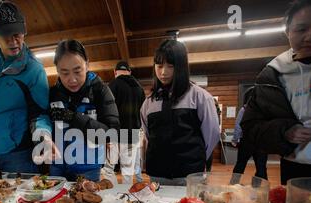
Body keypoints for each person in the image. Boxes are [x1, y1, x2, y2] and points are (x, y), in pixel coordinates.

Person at [0, 1, 52, 173]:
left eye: (18, 34)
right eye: (6, 34)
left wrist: (44, 135)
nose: (14, 41)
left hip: (21, 153)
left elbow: (40, 112)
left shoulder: (33, 68)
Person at [241, 0, 311, 184]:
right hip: (294, 166)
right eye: (301, 29)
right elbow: (251, 128)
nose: (309, 36)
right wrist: (285, 132)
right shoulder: (273, 74)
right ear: (288, 32)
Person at [140, 40, 220, 186]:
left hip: (189, 174)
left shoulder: (200, 97)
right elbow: (148, 135)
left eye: (170, 66)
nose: (163, 72)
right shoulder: (148, 103)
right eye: (159, 66)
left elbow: (212, 134)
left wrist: (195, 159)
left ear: (181, 67)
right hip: (158, 174)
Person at [48, 39, 120, 182]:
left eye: (77, 71)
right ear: (57, 70)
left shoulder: (100, 90)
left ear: (87, 65)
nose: (72, 79)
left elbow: (112, 133)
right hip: (57, 168)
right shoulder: (52, 94)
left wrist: (73, 117)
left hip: (88, 169)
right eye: (65, 73)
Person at [101, 61, 146, 184]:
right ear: (129, 72)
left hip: (116, 134)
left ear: (115, 72)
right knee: (128, 170)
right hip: (134, 133)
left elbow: (106, 112)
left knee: (108, 169)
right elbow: (143, 112)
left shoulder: (112, 85)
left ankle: (116, 194)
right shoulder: (139, 88)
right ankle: (126, 196)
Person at [231, 88, 268, 182]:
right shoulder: (265, 111)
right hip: (262, 142)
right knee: (261, 167)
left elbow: (238, 126)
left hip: (246, 141)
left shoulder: (244, 109)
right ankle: (258, 188)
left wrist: (235, 139)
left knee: (240, 164)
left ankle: (234, 183)